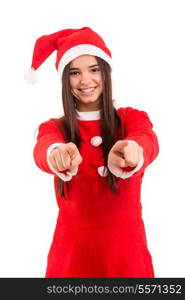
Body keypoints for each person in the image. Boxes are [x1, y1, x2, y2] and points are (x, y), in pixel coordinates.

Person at [25, 27, 159, 278]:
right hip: (71, 259)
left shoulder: (131, 118)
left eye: (94, 70)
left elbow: (147, 139)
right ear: (66, 80)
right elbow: (44, 147)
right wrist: (56, 153)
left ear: (106, 73)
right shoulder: (55, 128)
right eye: (75, 73)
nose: (86, 80)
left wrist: (134, 150)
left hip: (126, 257)